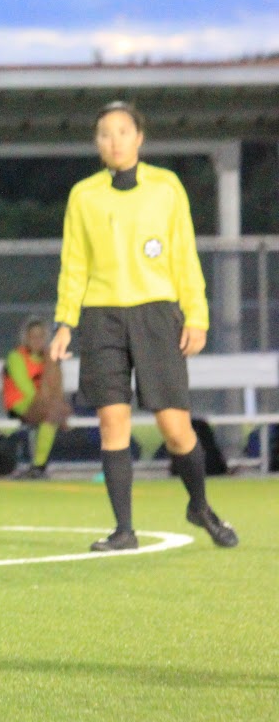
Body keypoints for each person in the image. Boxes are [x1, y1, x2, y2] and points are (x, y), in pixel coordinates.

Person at [51, 101, 237, 550]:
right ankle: (124, 531)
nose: (112, 140)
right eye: (104, 133)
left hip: (157, 314)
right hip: (101, 318)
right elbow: (74, 263)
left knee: (176, 429)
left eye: (121, 131)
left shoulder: (166, 187)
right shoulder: (84, 195)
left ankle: (199, 505)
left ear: (139, 138)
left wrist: (197, 315)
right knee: (113, 423)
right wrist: (64, 322)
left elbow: (184, 256)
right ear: (97, 144)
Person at [3, 318, 70, 479]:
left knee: (51, 417)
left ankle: (38, 466)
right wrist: (47, 404)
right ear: (25, 338)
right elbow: (25, 386)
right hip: (20, 402)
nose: (37, 340)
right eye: (33, 336)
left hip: (44, 404)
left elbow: (56, 384)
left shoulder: (50, 358)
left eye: (40, 336)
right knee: (51, 415)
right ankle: (39, 465)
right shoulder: (16, 356)